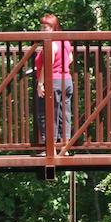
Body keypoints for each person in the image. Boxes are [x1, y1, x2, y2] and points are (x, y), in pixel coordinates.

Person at [33, 13, 74, 146]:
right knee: (64, 114)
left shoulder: (50, 43)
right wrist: (62, 67)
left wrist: (40, 83)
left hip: (53, 82)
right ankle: (64, 147)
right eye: (42, 27)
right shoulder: (65, 41)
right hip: (66, 80)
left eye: (46, 27)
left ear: (54, 28)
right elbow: (71, 59)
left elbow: (47, 64)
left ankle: (52, 148)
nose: (42, 30)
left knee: (48, 115)